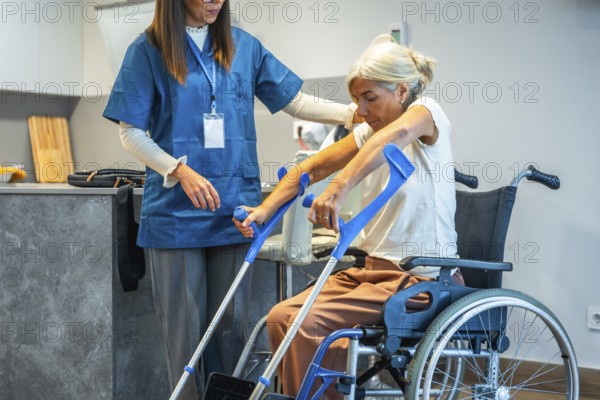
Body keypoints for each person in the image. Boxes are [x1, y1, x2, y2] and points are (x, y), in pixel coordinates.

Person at [102, 0, 360, 398]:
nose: (214, 1)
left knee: (231, 338)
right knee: (186, 343)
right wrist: (178, 170)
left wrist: (351, 115)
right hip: (176, 217)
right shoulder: (147, 49)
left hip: (235, 212)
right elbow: (130, 132)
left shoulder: (244, 47)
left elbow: (294, 100)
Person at [234, 34, 464, 399]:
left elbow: (395, 135)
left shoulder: (427, 114)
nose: (361, 110)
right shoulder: (366, 132)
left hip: (420, 281)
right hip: (370, 273)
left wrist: (340, 188)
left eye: (370, 98)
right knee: (281, 317)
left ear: (402, 90)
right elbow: (311, 166)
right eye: (357, 100)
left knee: (308, 323)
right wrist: (265, 209)